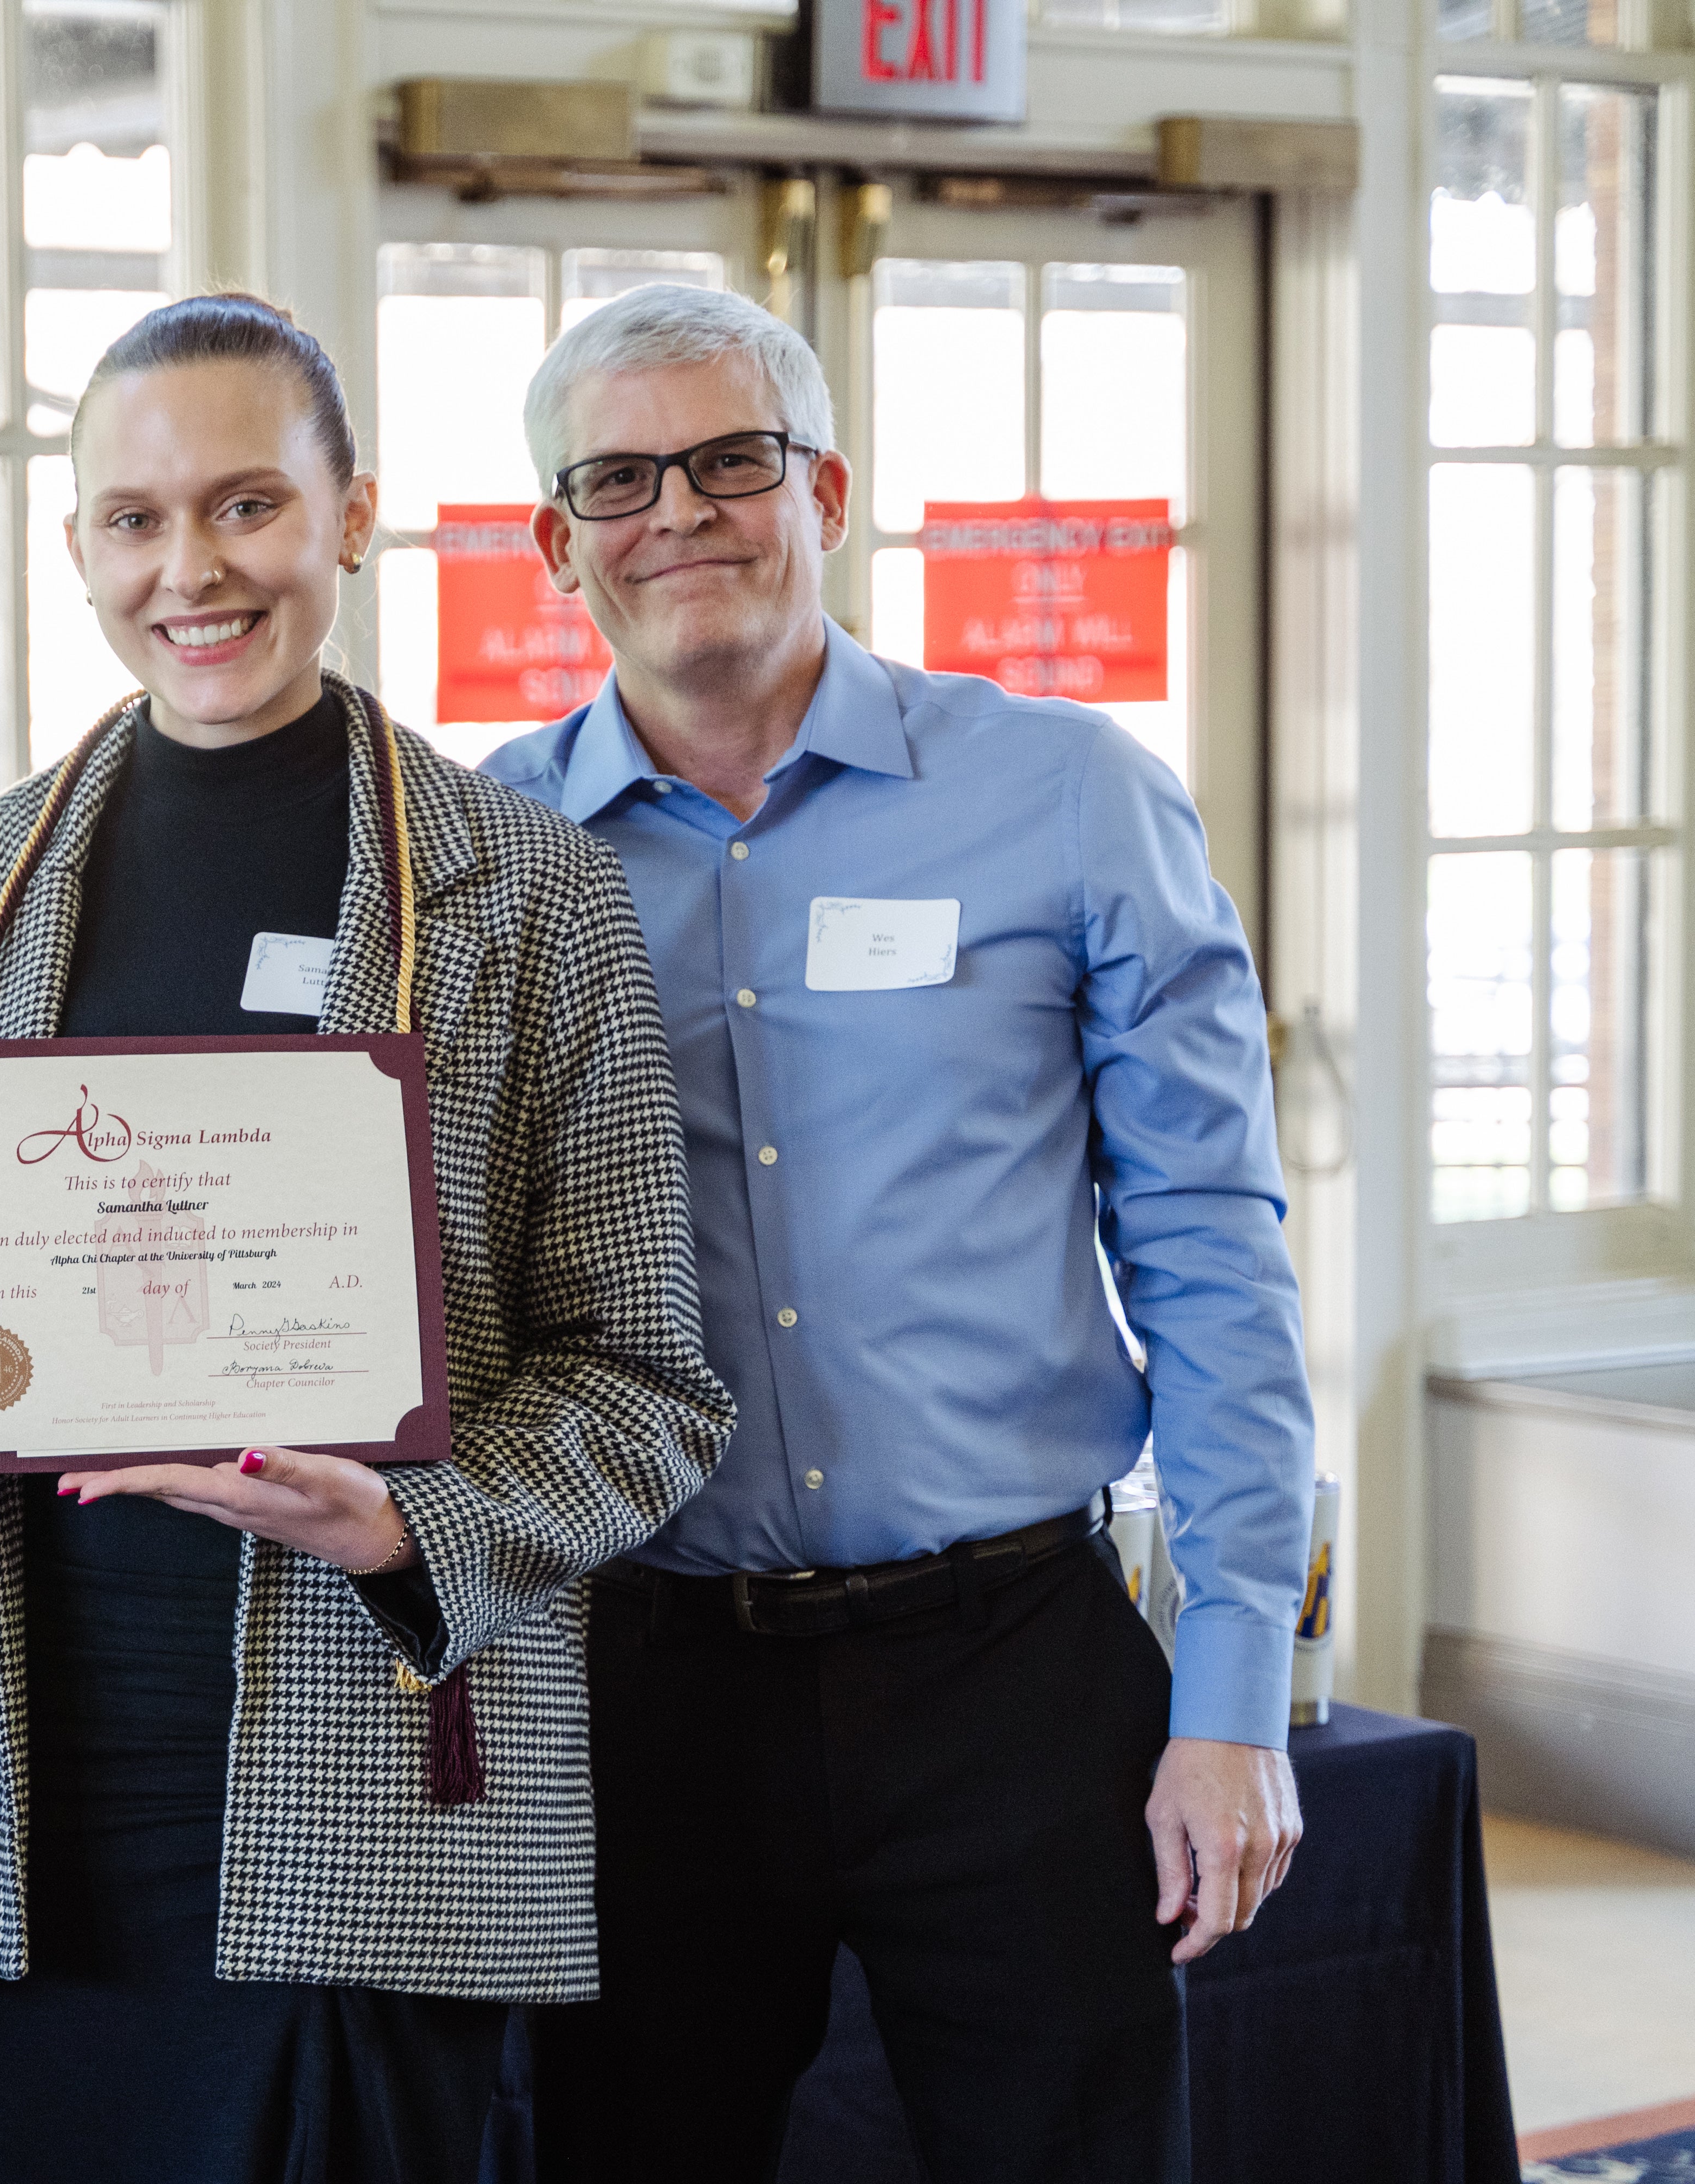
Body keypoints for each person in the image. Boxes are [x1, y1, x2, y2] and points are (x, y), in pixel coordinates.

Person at [0, 293, 734, 2181]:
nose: (190, 571)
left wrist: (404, 1524)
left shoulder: (527, 894)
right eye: (134, 521)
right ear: (78, 553)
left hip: (362, 1764)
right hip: (14, 1783)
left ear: (352, 517)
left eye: (245, 507)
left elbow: (646, 1381)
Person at [483, 283, 1313, 2182]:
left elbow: (1213, 1246)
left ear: (826, 488)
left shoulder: (1070, 798)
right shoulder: (487, 851)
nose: (677, 511)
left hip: (1013, 1671)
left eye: (729, 459)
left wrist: (1237, 1694)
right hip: (647, 1680)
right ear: (556, 544)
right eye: (617, 479)